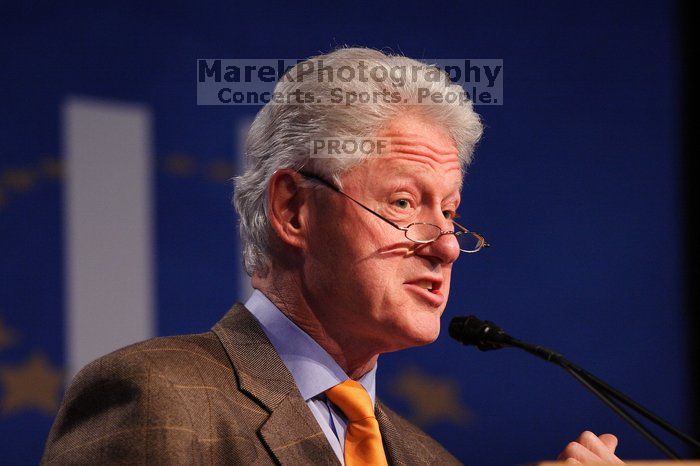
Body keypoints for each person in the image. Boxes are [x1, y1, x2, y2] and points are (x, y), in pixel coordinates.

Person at [42, 47, 624, 465]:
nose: (446, 245)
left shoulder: (428, 458)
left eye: (449, 212)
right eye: (403, 202)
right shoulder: (157, 397)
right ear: (295, 210)